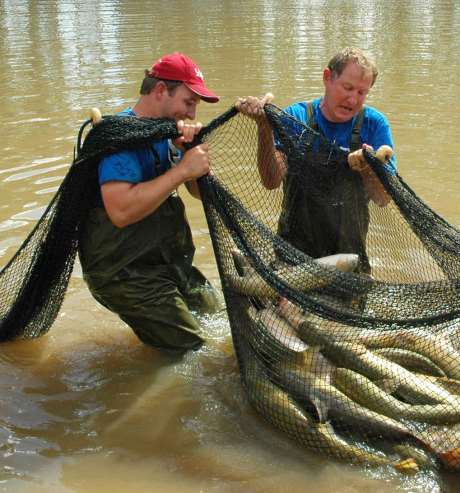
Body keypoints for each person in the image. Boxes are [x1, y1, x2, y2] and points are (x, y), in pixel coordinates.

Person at [78, 52, 222, 353]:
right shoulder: (117, 137)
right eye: (189, 102)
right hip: (123, 273)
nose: (193, 114)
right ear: (160, 91)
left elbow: (199, 193)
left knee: (218, 315)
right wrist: (182, 171)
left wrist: (191, 157)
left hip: (167, 262)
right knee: (192, 347)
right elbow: (120, 211)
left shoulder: (168, 133)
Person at [235, 47, 396, 274]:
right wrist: (263, 127)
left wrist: (368, 169)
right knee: (280, 310)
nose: (353, 99)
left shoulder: (374, 125)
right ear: (327, 78)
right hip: (292, 257)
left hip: (349, 260)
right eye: (347, 88)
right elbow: (271, 181)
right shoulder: (296, 117)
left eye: (362, 92)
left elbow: (383, 198)